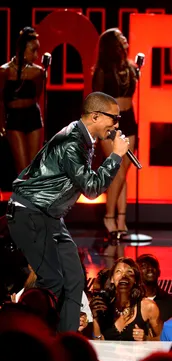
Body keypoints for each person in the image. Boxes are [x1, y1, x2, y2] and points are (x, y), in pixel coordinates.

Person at [6, 92, 129, 332]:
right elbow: (92, 189)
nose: (116, 125)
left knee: (74, 278)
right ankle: (27, 336)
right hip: (30, 212)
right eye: (114, 119)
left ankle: (67, 342)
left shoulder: (83, 138)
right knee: (52, 280)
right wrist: (115, 156)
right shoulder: (73, 142)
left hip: (50, 216)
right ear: (95, 116)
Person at [92, 28, 138, 238]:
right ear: (112, 45)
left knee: (124, 173)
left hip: (129, 119)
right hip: (110, 123)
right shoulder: (102, 71)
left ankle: (121, 219)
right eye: (120, 38)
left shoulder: (130, 68)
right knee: (116, 172)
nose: (125, 40)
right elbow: (96, 101)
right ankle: (109, 216)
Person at [0, 26, 44, 175]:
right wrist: (1, 124)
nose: (36, 55)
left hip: (33, 116)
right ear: (22, 49)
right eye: (33, 50)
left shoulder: (38, 72)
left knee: (33, 168)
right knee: (22, 168)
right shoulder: (5, 71)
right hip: (14, 118)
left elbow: (37, 95)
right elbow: (0, 99)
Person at [90, 257, 162, 341]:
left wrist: (146, 339)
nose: (124, 275)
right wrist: (95, 318)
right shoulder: (104, 306)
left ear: (135, 280)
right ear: (112, 279)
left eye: (129, 272)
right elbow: (98, 343)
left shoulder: (149, 307)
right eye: (118, 271)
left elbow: (163, 339)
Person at [136, 254, 172, 322]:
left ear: (159, 272)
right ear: (136, 273)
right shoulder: (131, 301)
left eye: (153, 266)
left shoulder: (171, 302)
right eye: (144, 266)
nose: (150, 269)